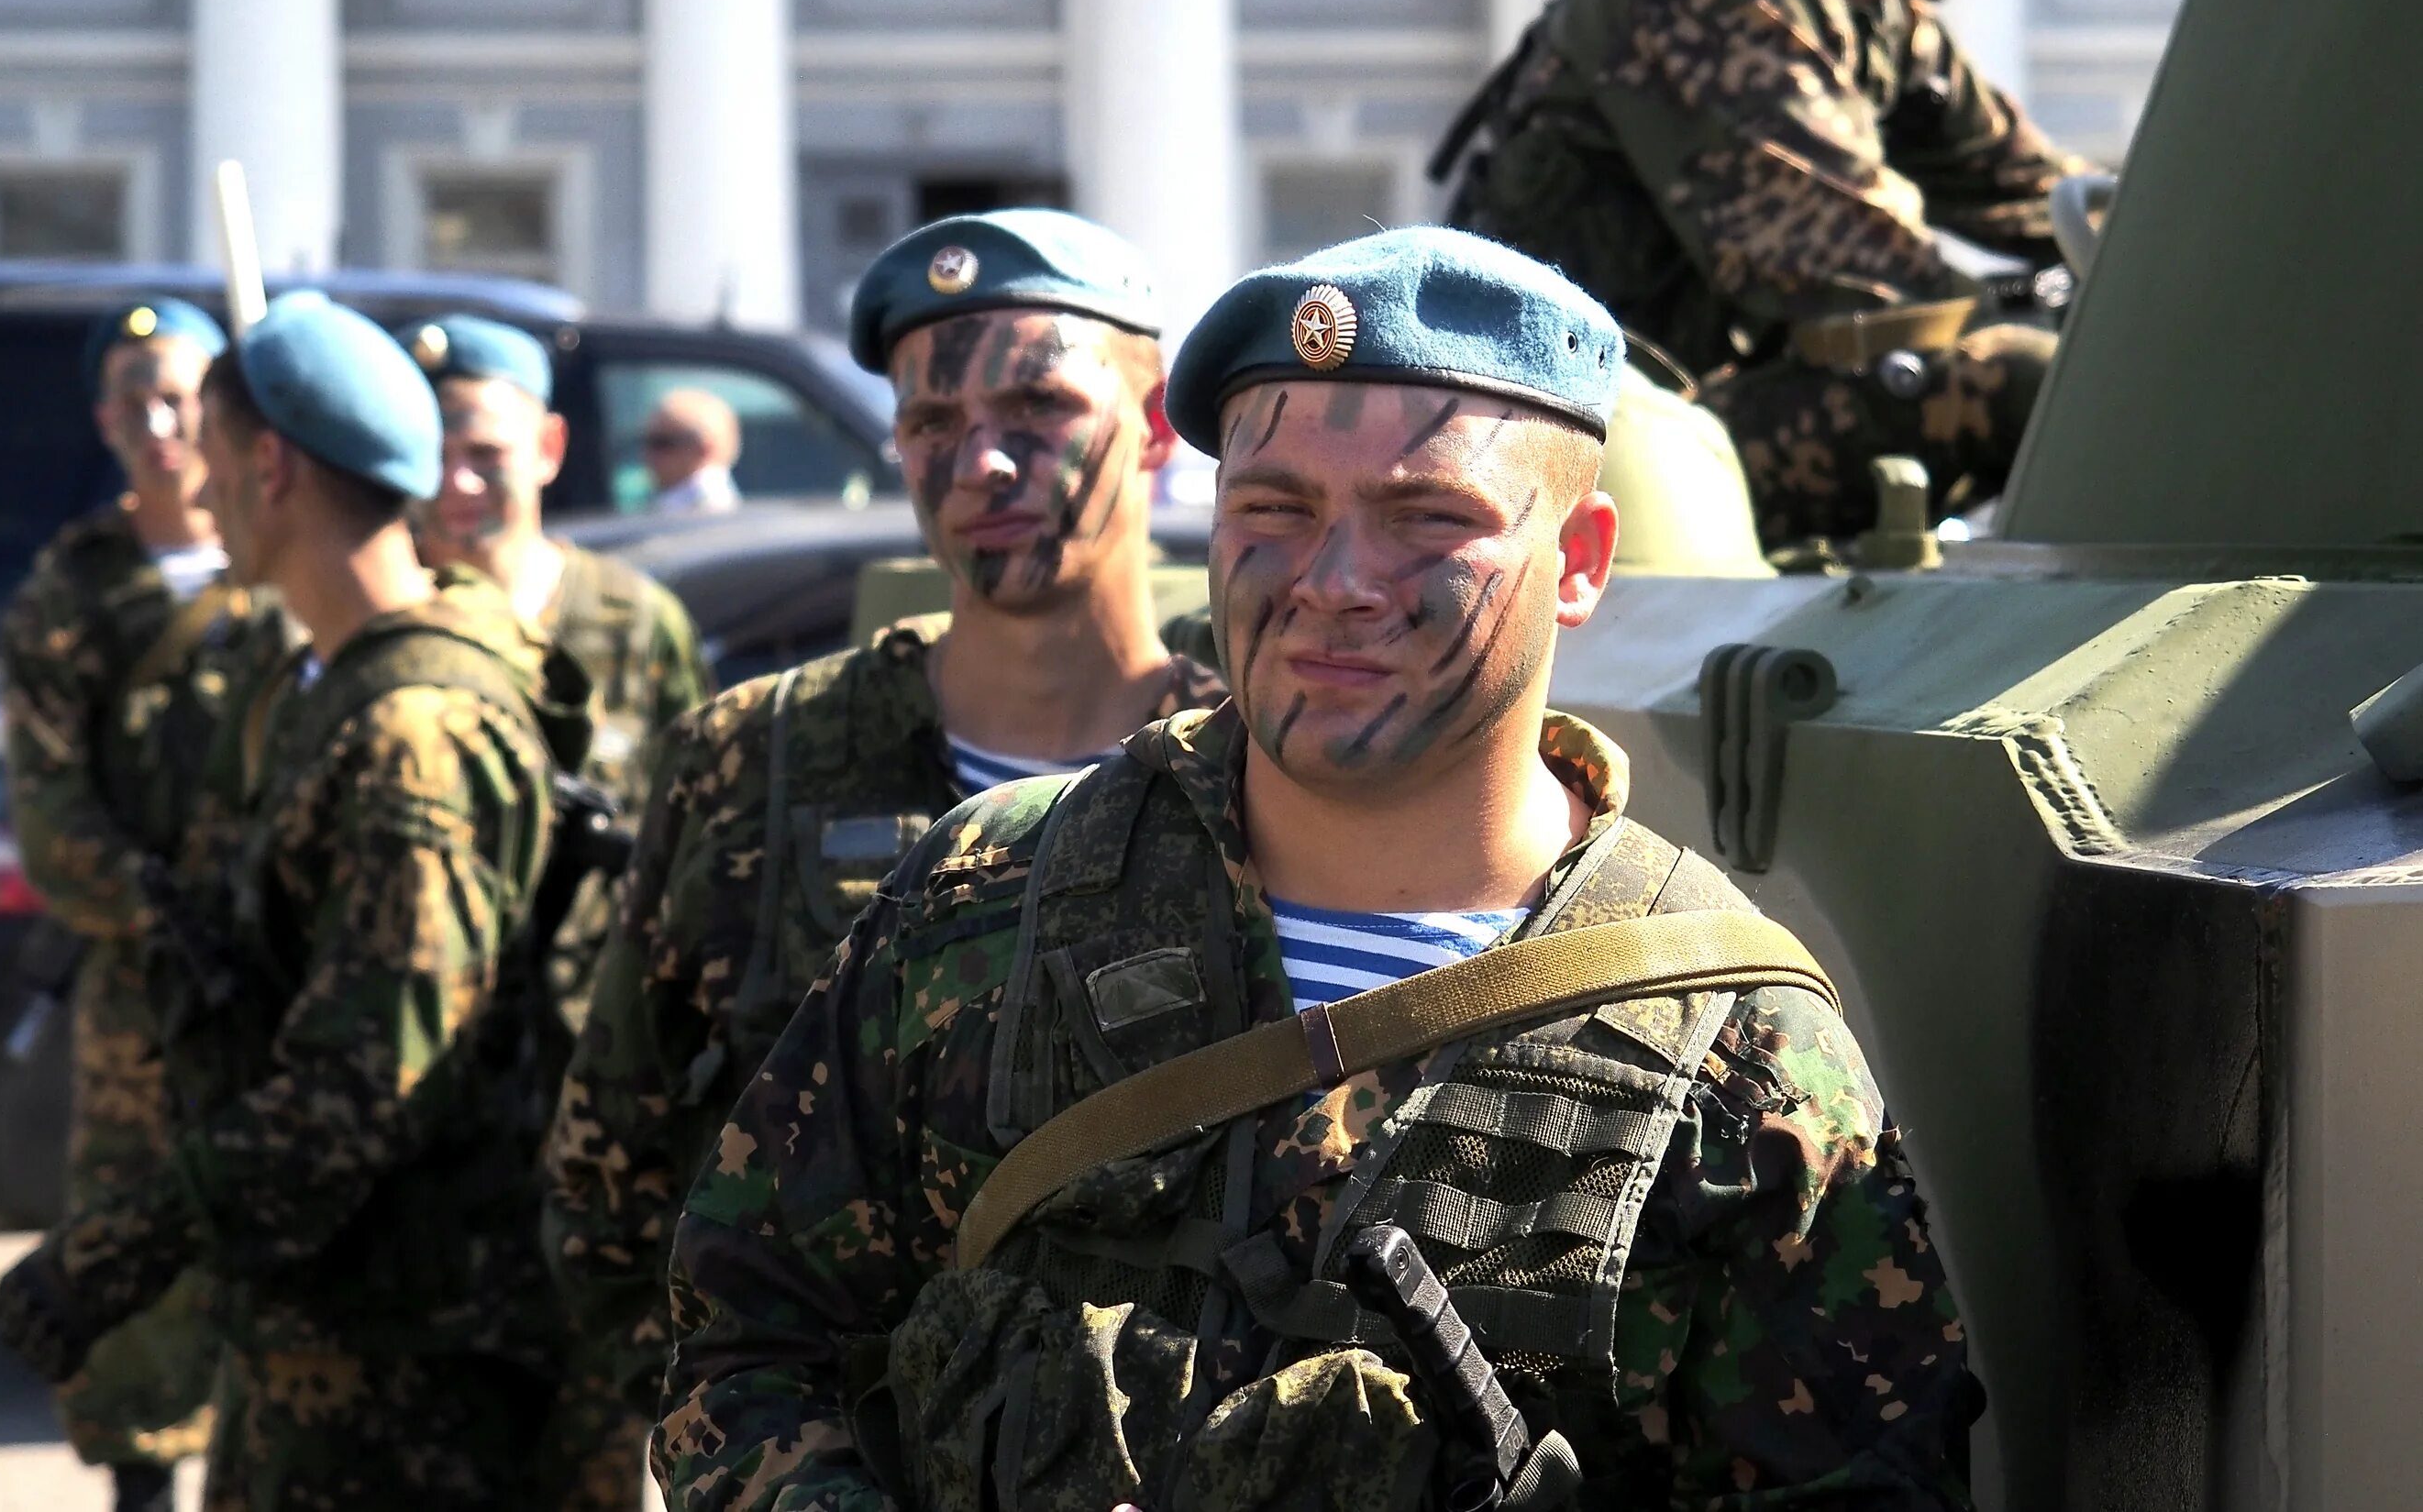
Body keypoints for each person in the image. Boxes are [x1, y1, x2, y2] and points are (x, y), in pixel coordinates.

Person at [655, 227, 1979, 1509]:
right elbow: (747, 1337)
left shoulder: (1738, 1058)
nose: (1336, 580)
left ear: (1576, 563)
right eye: (1275, 508)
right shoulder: (979, 911)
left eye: (1427, 517)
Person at [539, 209, 1226, 1507]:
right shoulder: (757, 761)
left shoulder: (1255, 763)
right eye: (929, 423)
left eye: (1037, 402)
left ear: (1152, 430)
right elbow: (610, 1174)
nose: (981, 459)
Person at [0, 294, 572, 1511]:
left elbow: (364, 1087)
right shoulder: (325, 684)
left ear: (269, 465)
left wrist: (110, 1252)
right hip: (327, 1325)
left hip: (416, 1365)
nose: (190, 477)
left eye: (206, 439)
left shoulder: (412, 733)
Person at [1437, 0, 2086, 545]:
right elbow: (1851, 263)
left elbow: (2032, 189)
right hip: (1567, 437)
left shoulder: (1867, 7)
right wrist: (2033, 311)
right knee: (2021, 380)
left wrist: (2165, 252)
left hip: (1675, 415)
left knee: (2048, 354)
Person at [0, 296, 259, 1512]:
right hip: (143, 984)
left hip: (297, 972)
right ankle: (143, 1478)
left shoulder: (290, 557)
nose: (163, 424)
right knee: (137, 1240)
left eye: (185, 395)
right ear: (105, 419)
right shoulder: (76, 584)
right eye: (136, 399)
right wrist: (158, 909)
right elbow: (48, 801)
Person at [404, 312, 714, 980]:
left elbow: (701, 835)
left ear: (548, 448)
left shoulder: (634, 621)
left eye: (486, 457)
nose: (455, 484)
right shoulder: (390, 624)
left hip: (589, 1031)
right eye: (433, 458)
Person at [639, 386, 743, 514]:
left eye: (662, 443)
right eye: (646, 442)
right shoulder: (672, 505)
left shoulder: (710, 510)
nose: (647, 454)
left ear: (704, 449)